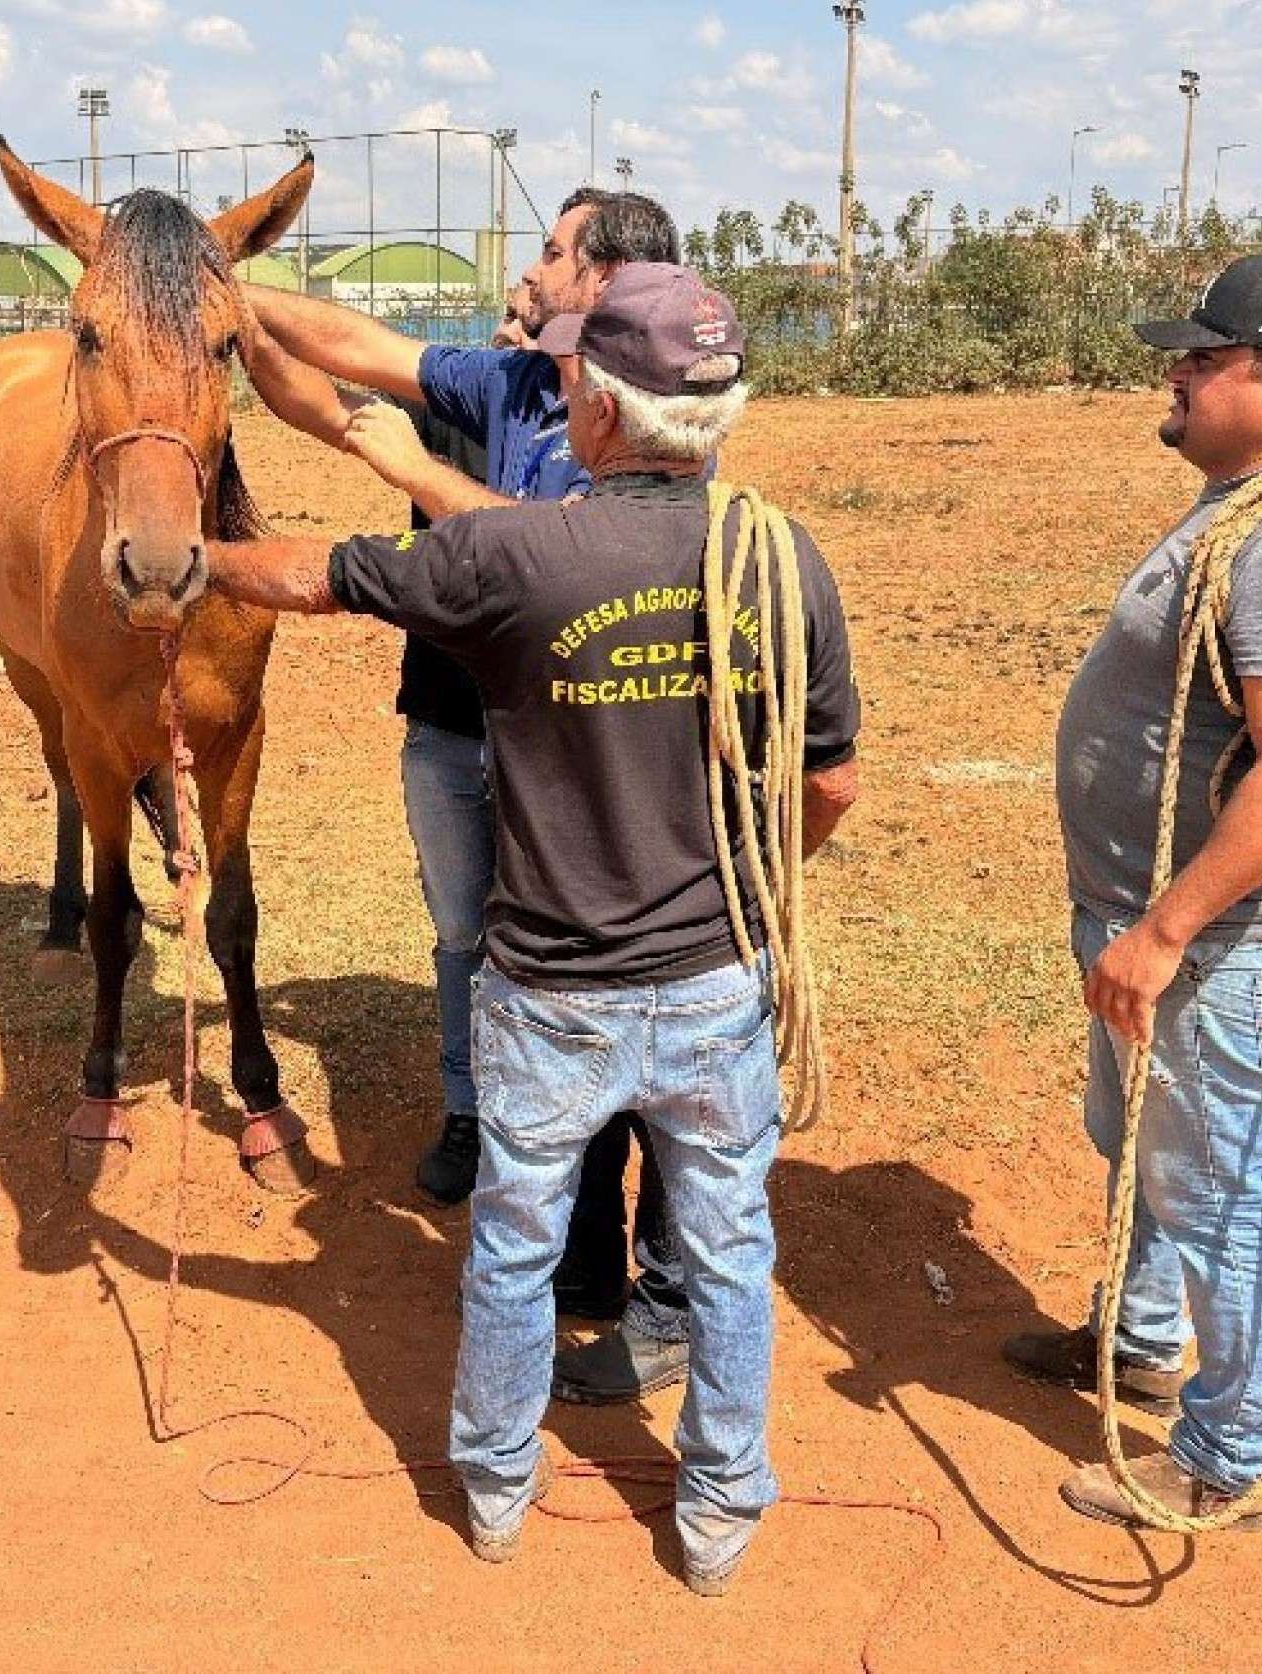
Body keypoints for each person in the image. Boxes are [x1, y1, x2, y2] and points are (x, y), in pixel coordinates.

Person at [209, 264, 862, 1590]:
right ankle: (719, 1512)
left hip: (551, 991)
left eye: (571, 377)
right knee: (732, 1251)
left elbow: (313, 576)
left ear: (600, 412)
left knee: (513, 1248)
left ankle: (498, 1489)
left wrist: (187, 564)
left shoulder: (512, 556)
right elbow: (832, 781)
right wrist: (750, 885)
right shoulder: (779, 557)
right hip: (715, 983)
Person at [244, 191, 697, 1402]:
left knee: (611, 998)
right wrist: (231, 298)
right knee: (513, 969)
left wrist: (406, 474)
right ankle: (573, 1250)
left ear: (604, 280)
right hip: (474, 728)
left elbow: (557, 558)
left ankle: (662, 1299)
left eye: (550, 254)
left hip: (585, 754)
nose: (526, 274)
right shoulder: (509, 384)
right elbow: (356, 356)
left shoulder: (652, 416)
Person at [1006, 252, 1262, 1531]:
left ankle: (1226, 1456)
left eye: (1204, 357)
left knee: (1216, 1188)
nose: (1175, 371)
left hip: (1212, 943)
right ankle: (1137, 1338)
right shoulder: (1240, 507)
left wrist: (1167, 928)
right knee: (1147, 1151)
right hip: (1148, 923)